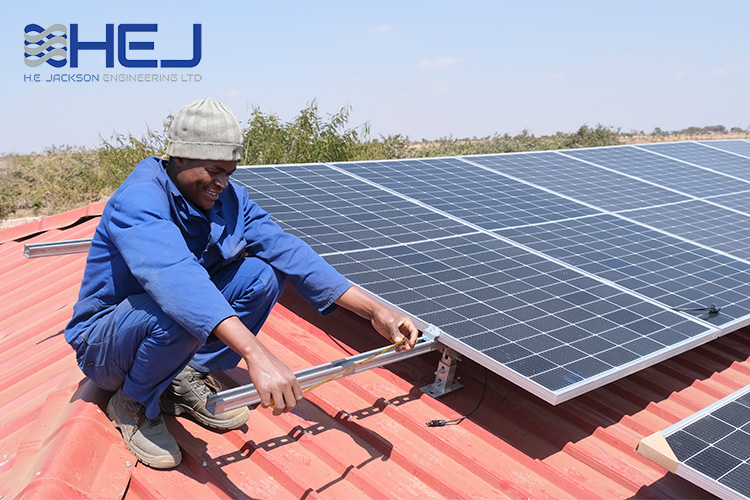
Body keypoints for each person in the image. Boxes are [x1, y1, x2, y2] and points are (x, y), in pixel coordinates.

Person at [64, 97, 418, 469]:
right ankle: (132, 403)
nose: (222, 183)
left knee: (263, 276)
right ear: (180, 157)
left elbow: (292, 253)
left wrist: (376, 311)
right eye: (215, 170)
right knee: (181, 308)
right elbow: (177, 282)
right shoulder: (139, 200)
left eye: (229, 172)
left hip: (166, 325)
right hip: (106, 345)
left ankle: (183, 375)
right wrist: (256, 354)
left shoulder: (230, 201)